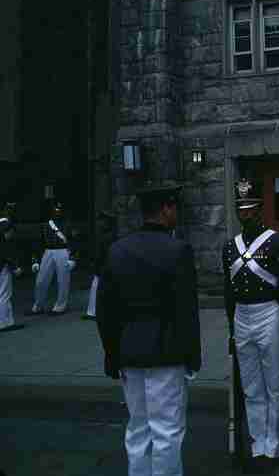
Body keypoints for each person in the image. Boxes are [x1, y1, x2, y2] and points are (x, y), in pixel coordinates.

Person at [96, 183, 201, 476]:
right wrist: (193, 356)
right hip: (166, 351)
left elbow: (105, 310)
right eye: (174, 208)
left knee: (138, 429)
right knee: (167, 431)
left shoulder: (117, 250)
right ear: (166, 209)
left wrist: (111, 353)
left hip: (129, 350)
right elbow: (186, 310)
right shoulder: (178, 250)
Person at [223, 176, 279, 473]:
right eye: (241, 208)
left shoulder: (277, 241)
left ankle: (275, 444)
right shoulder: (230, 247)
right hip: (243, 315)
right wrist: (231, 328)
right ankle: (258, 442)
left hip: (269, 313)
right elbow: (229, 292)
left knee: (275, 385)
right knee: (252, 387)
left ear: (259, 210)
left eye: (251, 208)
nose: (246, 213)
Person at [28, 201, 76, 316]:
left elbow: (74, 241)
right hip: (48, 251)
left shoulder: (68, 224)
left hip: (63, 251)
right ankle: (38, 305)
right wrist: (35, 260)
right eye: (55, 210)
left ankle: (60, 306)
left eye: (59, 210)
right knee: (41, 280)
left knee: (63, 280)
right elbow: (38, 243)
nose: (57, 212)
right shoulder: (46, 225)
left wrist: (72, 258)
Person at [83, 210, 117, 321]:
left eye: (103, 221)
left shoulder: (107, 236)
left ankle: (93, 312)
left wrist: (96, 265)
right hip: (106, 266)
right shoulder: (111, 234)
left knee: (97, 288)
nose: (100, 223)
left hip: (104, 266)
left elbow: (102, 254)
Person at [1, 200, 25, 332]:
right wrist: (14, 265)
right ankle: (5, 323)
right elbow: (6, 248)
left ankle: (6, 321)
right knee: (4, 293)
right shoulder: (6, 225)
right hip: (3, 264)